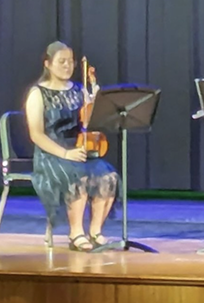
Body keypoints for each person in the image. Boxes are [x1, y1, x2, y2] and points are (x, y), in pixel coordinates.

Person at [25, 41, 121, 252]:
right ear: (48, 64)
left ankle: (95, 231)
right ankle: (75, 233)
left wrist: (94, 99)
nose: (67, 66)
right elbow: (36, 135)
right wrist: (65, 153)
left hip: (77, 149)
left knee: (109, 176)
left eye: (71, 61)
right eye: (62, 62)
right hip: (51, 153)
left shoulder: (78, 90)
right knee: (78, 176)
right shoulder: (38, 94)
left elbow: (87, 123)